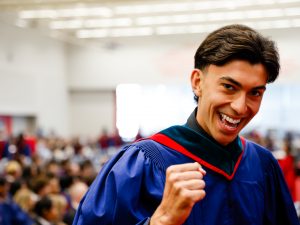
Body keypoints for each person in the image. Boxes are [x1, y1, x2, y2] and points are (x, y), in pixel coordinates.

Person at [72, 24, 299, 225]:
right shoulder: (141, 164)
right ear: (197, 82)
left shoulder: (262, 165)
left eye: (255, 93)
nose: (241, 107)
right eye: (229, 87)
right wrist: (161, 221)